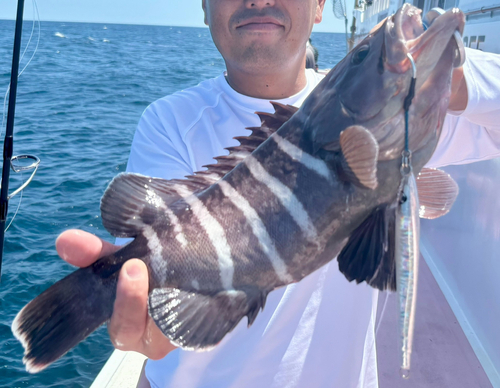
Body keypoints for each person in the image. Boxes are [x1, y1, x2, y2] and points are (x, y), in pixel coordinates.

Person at [55, 1, 500, 387]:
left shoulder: (401, 118)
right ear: (205, 7)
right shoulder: (170, 121)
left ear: (320, 6)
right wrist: (148, 324)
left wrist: (459, 80)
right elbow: (159, 314)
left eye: (365, 55)